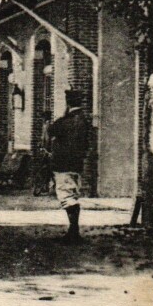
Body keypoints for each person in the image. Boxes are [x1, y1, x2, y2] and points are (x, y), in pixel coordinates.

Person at [46, 89, 91, 244]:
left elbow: (51, 130)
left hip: (62, 164)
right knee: (72, 195)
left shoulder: (65, 121)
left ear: (68, 102)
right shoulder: (84, 120)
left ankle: (73, 231)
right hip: (76, 164)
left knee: (67, 197)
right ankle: (74, 230)